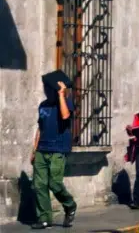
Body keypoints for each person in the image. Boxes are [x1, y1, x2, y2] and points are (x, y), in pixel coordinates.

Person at [30, 71, 77, 230]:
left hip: (58, 149)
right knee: (39, 185)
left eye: (48, 88)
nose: (46, 90)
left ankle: (69, 205)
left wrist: (62, 95)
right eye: (45, 88)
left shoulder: (66, 102)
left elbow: (65, 116)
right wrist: (34, 150)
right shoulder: (43, 105)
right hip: (42, 149)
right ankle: (44, 218)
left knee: (55, 183)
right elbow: (40, 128)